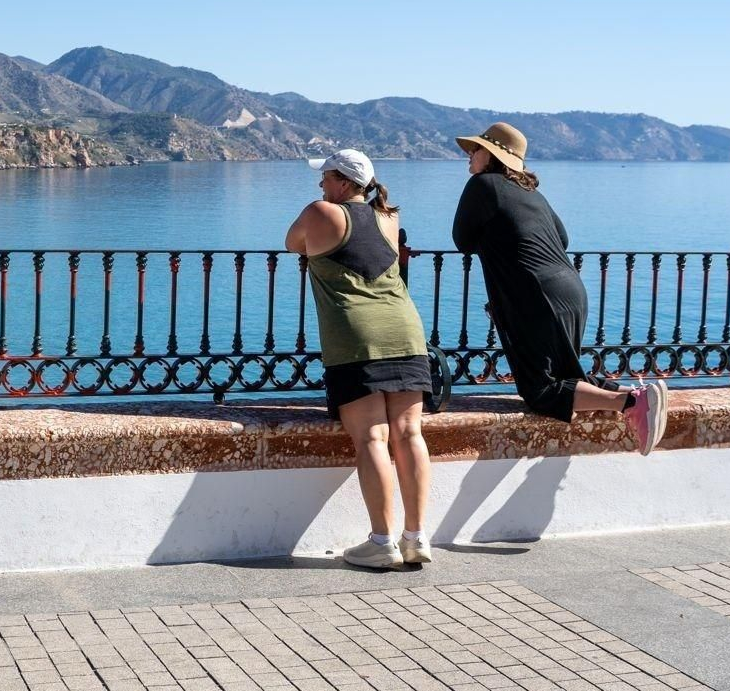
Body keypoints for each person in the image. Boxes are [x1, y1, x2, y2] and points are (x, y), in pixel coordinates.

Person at [450, 122, 667, 453]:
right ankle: (640, 398)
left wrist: (498, 251)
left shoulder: (482, 185)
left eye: (475, 150)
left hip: (535, 295)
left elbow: (462, 240)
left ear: (492, 155)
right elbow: (562, 239)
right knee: (565, 373)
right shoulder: (531, 192)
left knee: (540, 390)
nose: (468, 156)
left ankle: (630, 401)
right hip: (568, 289)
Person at [286, 149, 434, 569]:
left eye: (327, 177)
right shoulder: (389, 218)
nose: (321, 185)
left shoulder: (322, 212)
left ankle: (381, 542)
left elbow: (293, 242)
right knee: (409, 434)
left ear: (345, 184)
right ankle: (416, 537)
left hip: (358, 337)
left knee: (373, 437)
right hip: (406, 330)